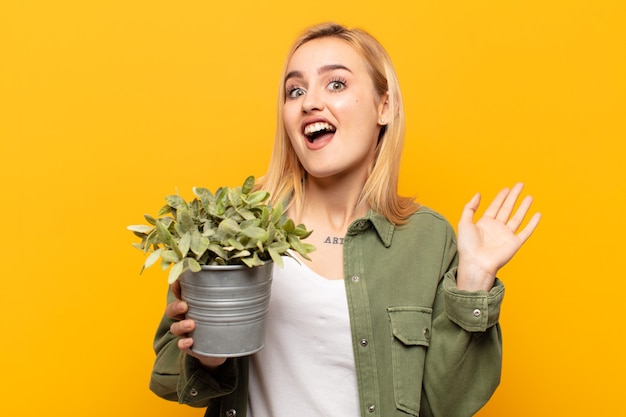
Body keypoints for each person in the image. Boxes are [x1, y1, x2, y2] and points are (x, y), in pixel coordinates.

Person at [149, 22, 541, 417]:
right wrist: (208, 355)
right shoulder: (234, 229)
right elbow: (167, 377)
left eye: (335, 84)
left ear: (384, 107)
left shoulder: (428, 239)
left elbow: (448, 404)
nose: (309, 103)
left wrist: (473, 282)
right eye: (295, 90)